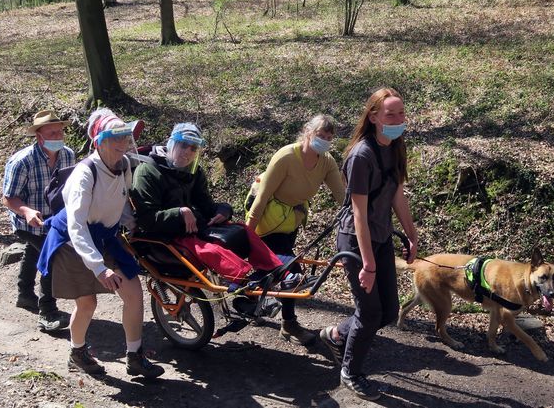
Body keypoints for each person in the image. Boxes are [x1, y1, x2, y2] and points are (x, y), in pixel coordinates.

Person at [37, 108, 164, 378]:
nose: (124, 143)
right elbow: (76, 226)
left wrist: (133, 227)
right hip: (73, 242)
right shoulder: (84, 175)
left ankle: (135, 356)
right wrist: (98, 267)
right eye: (115, 137)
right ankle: (77, 352)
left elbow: (123, 203)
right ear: (99, 141)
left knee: (133, 294)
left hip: (107, 236)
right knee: (87, 304)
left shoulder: (125, 165)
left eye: (125, 136)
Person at [319, 88, 418, 401]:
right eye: (391, 114)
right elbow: (359, 214)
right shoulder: (361, 155)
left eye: (401, 113)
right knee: (369, 311)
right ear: (374, 117)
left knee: (388, 310)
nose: (398, 120)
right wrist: (369, 265)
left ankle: (336, 335)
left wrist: (412, 235)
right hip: (356, 238)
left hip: (381, 235)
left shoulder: (396, 147)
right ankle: (350, 371)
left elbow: (397, 196)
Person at [130, 123, 288, 297]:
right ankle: (246, 284)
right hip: (164, 237)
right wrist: (180, 212)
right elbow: (147, 220)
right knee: (209, 250)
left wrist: (223, 210)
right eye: (183, 145)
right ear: (171, 143)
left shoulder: (193, 172)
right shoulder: (147, 172)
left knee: (242, 229)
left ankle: (280, 271)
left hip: (191, 228)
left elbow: (206, 206)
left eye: (193, 148)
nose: (187, 152)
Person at [246, 114, 345, 345]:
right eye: (321, 135)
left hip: (289, 220)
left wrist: (360, 216)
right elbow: (262, 197)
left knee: (273, 267)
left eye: (329, 138)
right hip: (265, 217)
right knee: (289, 267)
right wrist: (248, 234)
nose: (325, 141)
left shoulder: (327, 162)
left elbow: (343, 197)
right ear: (307, 132)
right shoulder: (287, 156)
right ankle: (287, 323)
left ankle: (252, 303)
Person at [2, 109, 74, 332]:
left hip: (54, 220)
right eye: (52, 133)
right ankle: (48, 312)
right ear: (39, 136)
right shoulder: (22, 161)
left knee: (34, 251)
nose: (57, 137)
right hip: (26, 221)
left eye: (60, 132)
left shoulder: (68, 155)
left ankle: (25, 294)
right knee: (50, 257)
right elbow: (8, 198)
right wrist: (27, 212)